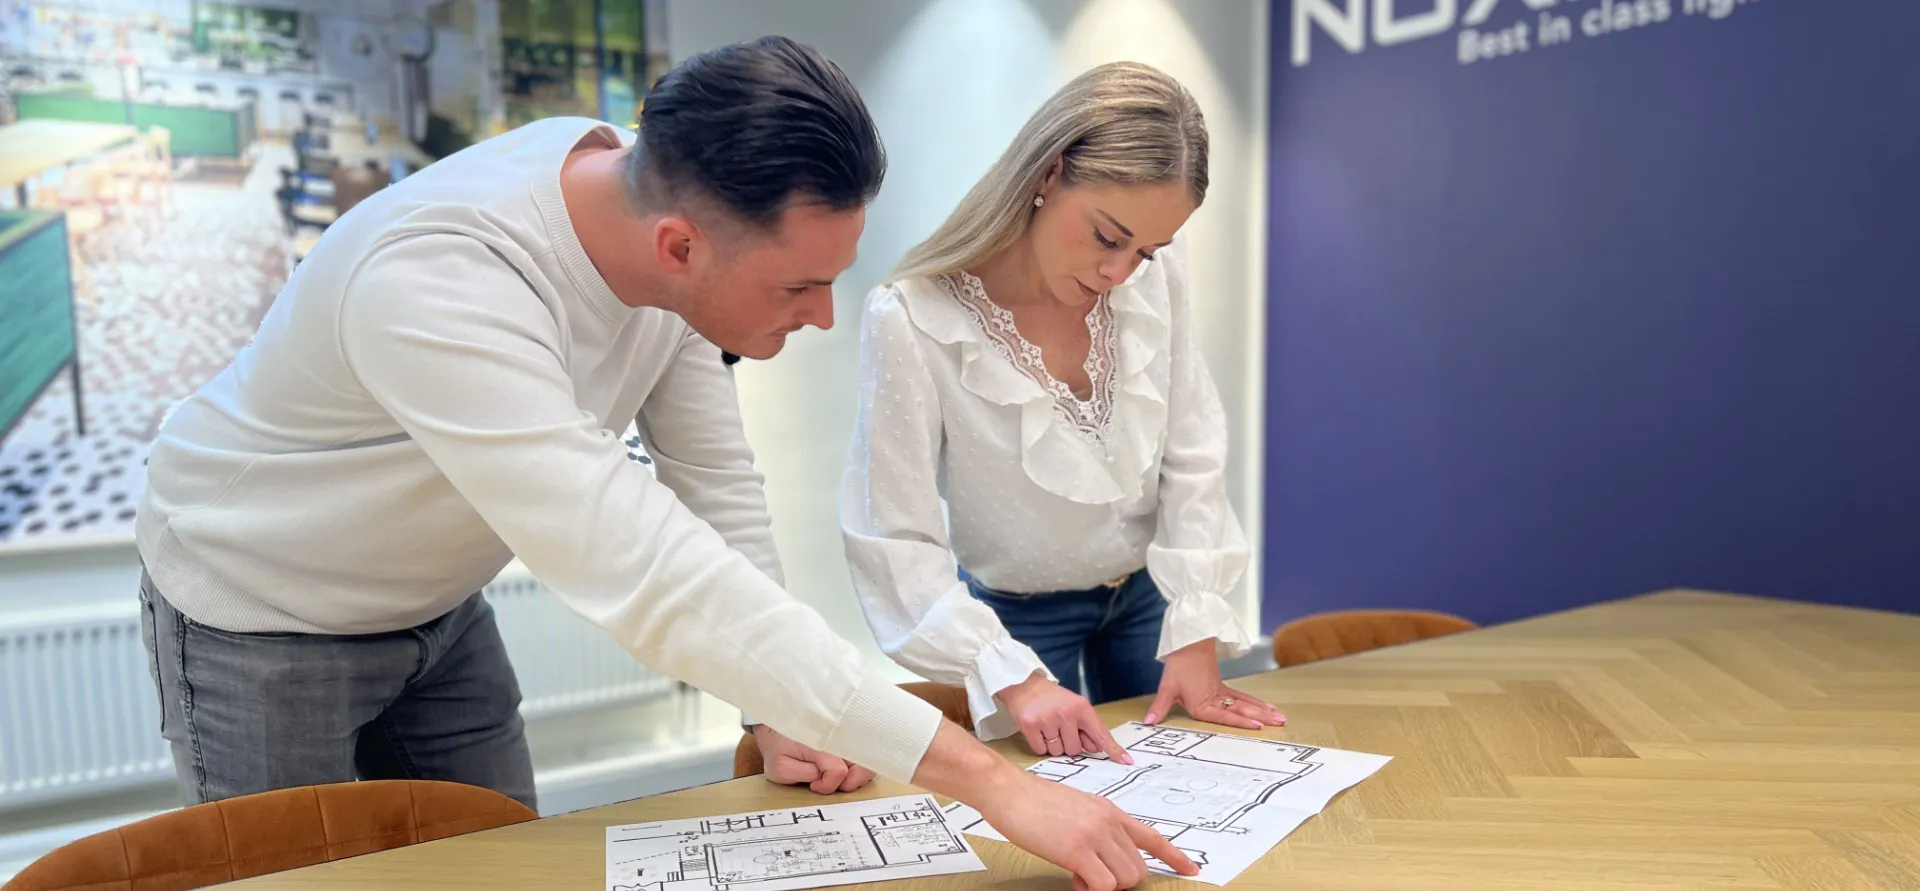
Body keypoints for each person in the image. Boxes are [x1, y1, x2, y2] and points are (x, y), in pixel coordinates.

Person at [134, 36, 1192, 891]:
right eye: (799, 287)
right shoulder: (440, 283)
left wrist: (775, 707)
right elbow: (646, 569)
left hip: (438, 607)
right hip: (262, 608)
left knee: (504, 865)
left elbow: (717, 488)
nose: (824, 317)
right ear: (682, 245)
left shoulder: (649, 223)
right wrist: (997, 787)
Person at [751, 61, 1285, 789]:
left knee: (1194, 802)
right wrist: (1010, 676)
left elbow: (1191, 442)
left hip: (1151, 600)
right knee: (1042, 819)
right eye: (1108, 236)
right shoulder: (914, 316)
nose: (1121, 272)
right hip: (1016, 626)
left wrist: (1196, 622)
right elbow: (895, 536)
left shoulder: (1153, 272)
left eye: (1147, 251)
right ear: (1049, 171)